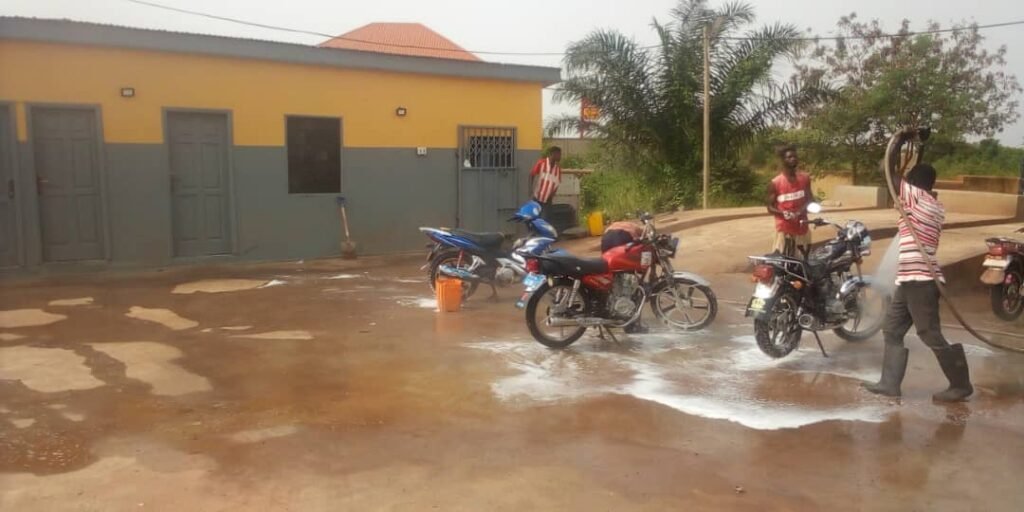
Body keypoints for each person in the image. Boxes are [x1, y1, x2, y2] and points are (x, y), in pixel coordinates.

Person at [863, 163, 973, 402]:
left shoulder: (916, 197)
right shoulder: (932, 204)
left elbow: (887, 169)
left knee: (929, 333)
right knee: (892, 329)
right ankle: (889, 384)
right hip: (909, 279)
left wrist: (902, 138)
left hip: (921, 279)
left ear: (913, 184)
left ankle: (961, 384)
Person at [766, 145, 814, 257]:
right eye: (789, 157)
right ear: (783, 160)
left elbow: (810, 199)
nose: (793, 159)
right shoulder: (775, 183)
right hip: (784, 228)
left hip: (802, 226)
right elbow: (770, 207)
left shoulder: (805, 178)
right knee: (780, 262)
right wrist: (783, 213)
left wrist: (799, 212)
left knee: (804, 262)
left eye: (795, 156)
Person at [531, 147, 562, 218]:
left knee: (545, 221)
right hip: (537, 198)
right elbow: (532, 175)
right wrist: (531, 190)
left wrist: (552, 195)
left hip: (547, 201)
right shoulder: (541, 163)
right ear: (552, 154)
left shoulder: (558, 169)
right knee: (534, 219)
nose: (560, 156)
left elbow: (557, 184)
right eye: (559, 154)